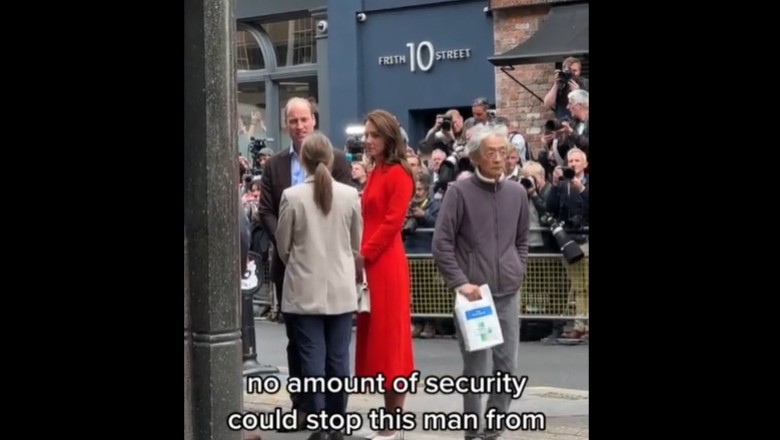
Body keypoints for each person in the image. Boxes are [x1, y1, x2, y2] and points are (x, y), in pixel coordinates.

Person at [258, 97, 353, 431]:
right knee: (298, 345)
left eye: (304, 120)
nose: (298, 126)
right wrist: (291, 252)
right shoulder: (274, 166)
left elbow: (347, 224)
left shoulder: (338, 162)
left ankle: (328, 416)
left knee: (329, 352)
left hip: (326, 273)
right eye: (292, 121)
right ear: (286, 124)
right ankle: (307, 410)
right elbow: (266, 212)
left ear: (314, 120)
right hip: (292, 271)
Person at [431, 123, 530, 440]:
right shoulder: (459, 193)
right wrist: (461, 283)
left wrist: (518, 268)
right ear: (476, 157)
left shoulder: (517, 193)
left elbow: (522, 240)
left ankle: (492, 433)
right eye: (492, 153)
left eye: (504, 151)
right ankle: (473, 434)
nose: (500, 158)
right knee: (477, 372)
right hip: (474, 297)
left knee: (508, 370)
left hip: (508, 293)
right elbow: (441, 244)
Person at [275, 132, 362, 440]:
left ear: (303, 160)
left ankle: (320, 423)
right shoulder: (350, 196)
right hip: (340, 287)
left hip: (303, 287)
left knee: (311, 358)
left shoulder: (292, 195)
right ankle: (337, 423)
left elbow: (283, 245)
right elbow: (356, 244)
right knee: (338, 358)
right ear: (330, 159)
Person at [354, 109, 415, 440]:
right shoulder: (375, 171)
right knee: (377, 340)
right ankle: (388, 419)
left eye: (373, 134)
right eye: (366, 134)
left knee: (391, 343)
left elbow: (392, 222)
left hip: (385, 264)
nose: (367, 140)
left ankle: (394, 424)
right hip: (371, 262)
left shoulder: (398, 174)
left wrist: (364, 255)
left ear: (388, 137)